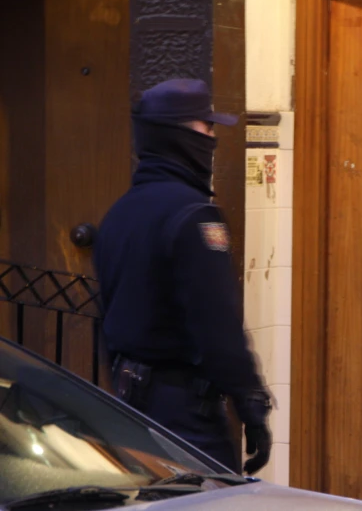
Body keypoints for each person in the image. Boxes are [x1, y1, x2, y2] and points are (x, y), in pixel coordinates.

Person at [93, 79, 273, 475]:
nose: (212, 137)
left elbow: (105, 317)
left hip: (129, 405)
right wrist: (251, 402)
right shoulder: (195, 217)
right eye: (206, 127)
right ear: (180, 136)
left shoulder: (119, 214)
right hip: (186, 417)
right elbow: (218, 326)